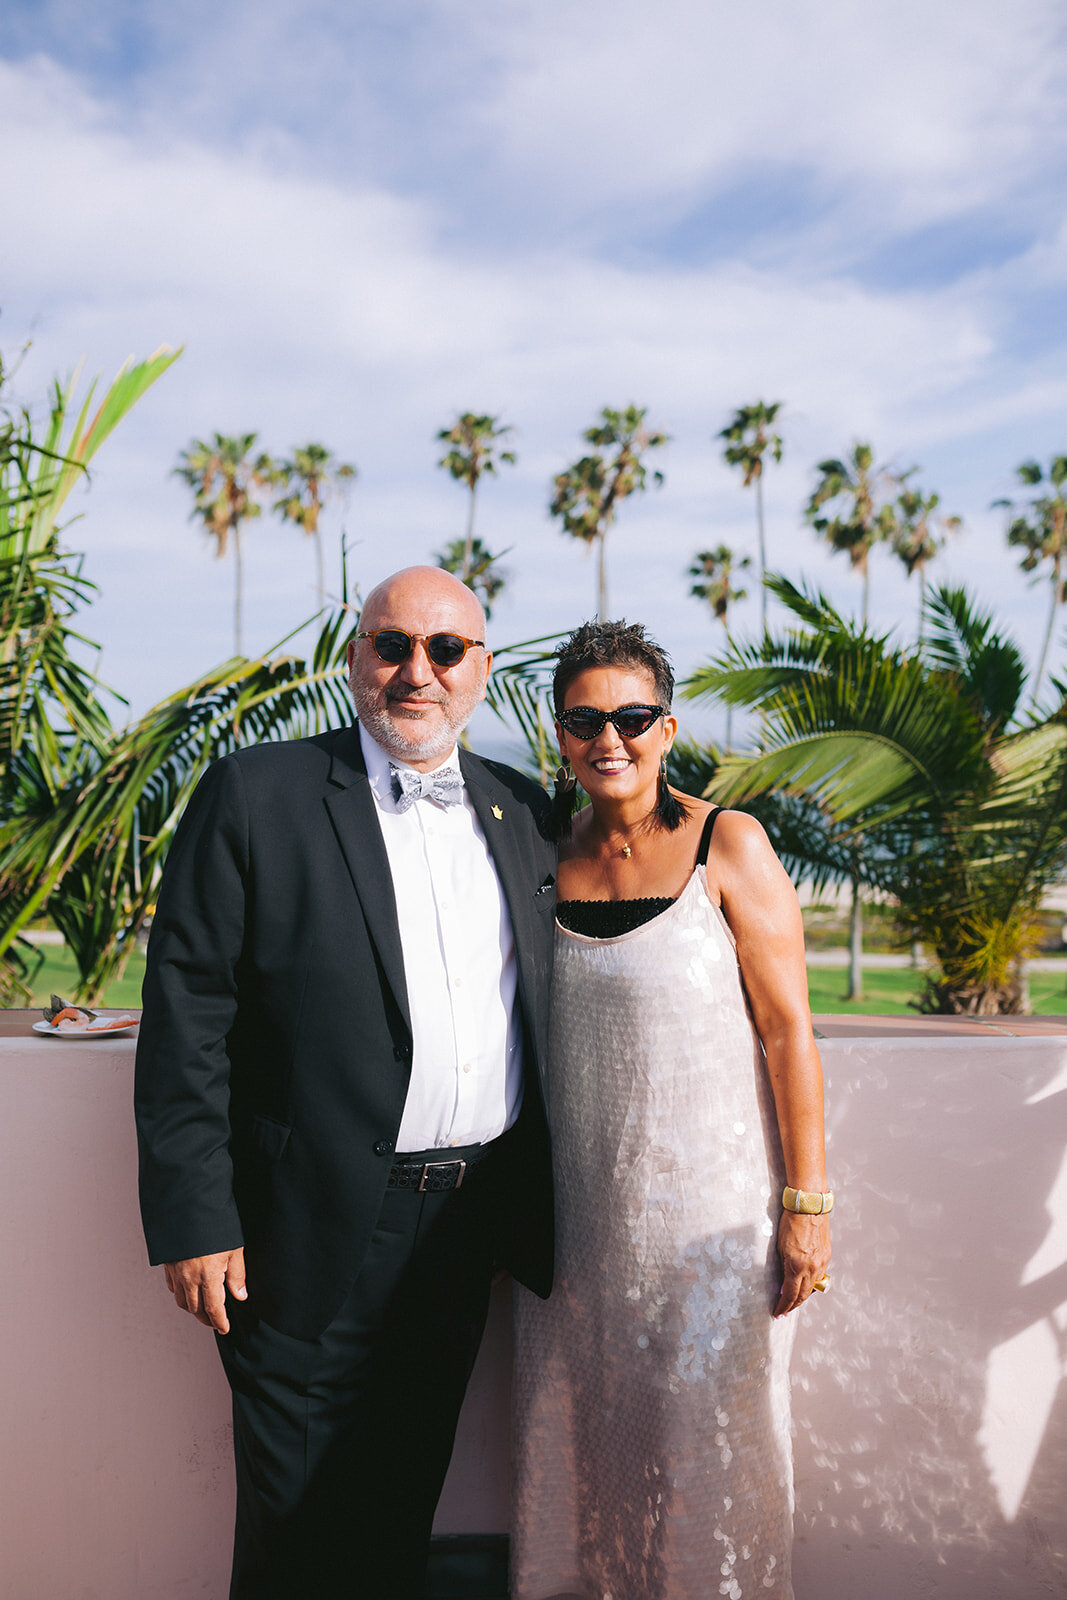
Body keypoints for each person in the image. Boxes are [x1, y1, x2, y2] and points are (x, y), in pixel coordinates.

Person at [134, 566, 555, 1600]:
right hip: (301, 1229)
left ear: (482, 670)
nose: (417, 671)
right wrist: (194, 1216)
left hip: (463, 1238)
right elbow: (189, 1014)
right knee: (297, 1524)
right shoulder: (257, 793)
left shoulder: (523, 812)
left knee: (396, 1503)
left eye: (445, 649)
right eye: (391, 645)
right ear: (355, 658)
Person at [511, 620, 831, 1600]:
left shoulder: (724, 844)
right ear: (558, 734)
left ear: (668, 724)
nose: (610, 737)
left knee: (707, 1469)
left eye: (633, 716)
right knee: (576, 1463)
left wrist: (806, 1208)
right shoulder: (533, 855)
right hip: (569, 1236)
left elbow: (788, 1033)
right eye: (584, 718)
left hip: (709, 1240)